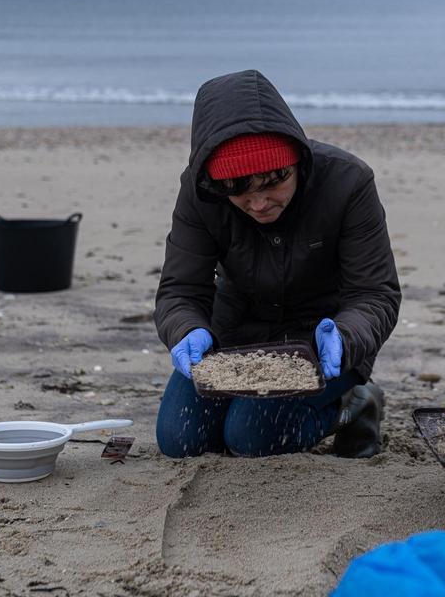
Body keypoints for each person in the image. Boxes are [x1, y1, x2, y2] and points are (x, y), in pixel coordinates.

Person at [154, 69, 400, 460]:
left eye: (272, 183)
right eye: (238, 191)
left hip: (322, 344)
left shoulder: (348, 181)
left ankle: (356, 404)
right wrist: (187, 330)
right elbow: (181, 290)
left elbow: (375, 294)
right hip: (233, 338)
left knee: (251, 438)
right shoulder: (200, 192)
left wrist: (345, 336)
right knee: (181, 440)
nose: (258, 203)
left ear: (295, 163)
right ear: (217, 185)